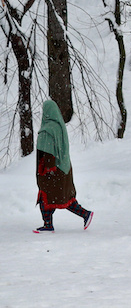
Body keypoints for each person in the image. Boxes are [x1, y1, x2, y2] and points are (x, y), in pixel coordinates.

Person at [34, 100, 94, 233]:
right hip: (64, 168)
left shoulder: (48, 129)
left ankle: (50, 224)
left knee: (49, 196)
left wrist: (46, 169)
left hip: (52, 171)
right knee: (60, 197)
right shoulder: (59, 126)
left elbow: (48, 152)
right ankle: (49, 223)